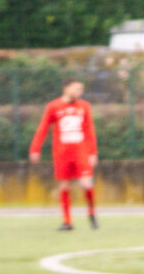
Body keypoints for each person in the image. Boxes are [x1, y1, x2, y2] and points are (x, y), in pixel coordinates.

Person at [30, 79, 99, 229]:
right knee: (64, 185)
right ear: (66, 88)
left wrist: (92, 152)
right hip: (62, 154)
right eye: (76, 89)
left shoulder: (84, 106)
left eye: (81, 89)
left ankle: (92, 214)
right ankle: (67, 221)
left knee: (86, 183)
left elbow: (89, 130)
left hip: (81, 152)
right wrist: (35, 148)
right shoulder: (53, 106)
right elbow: (43, 128)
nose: (79, 92)